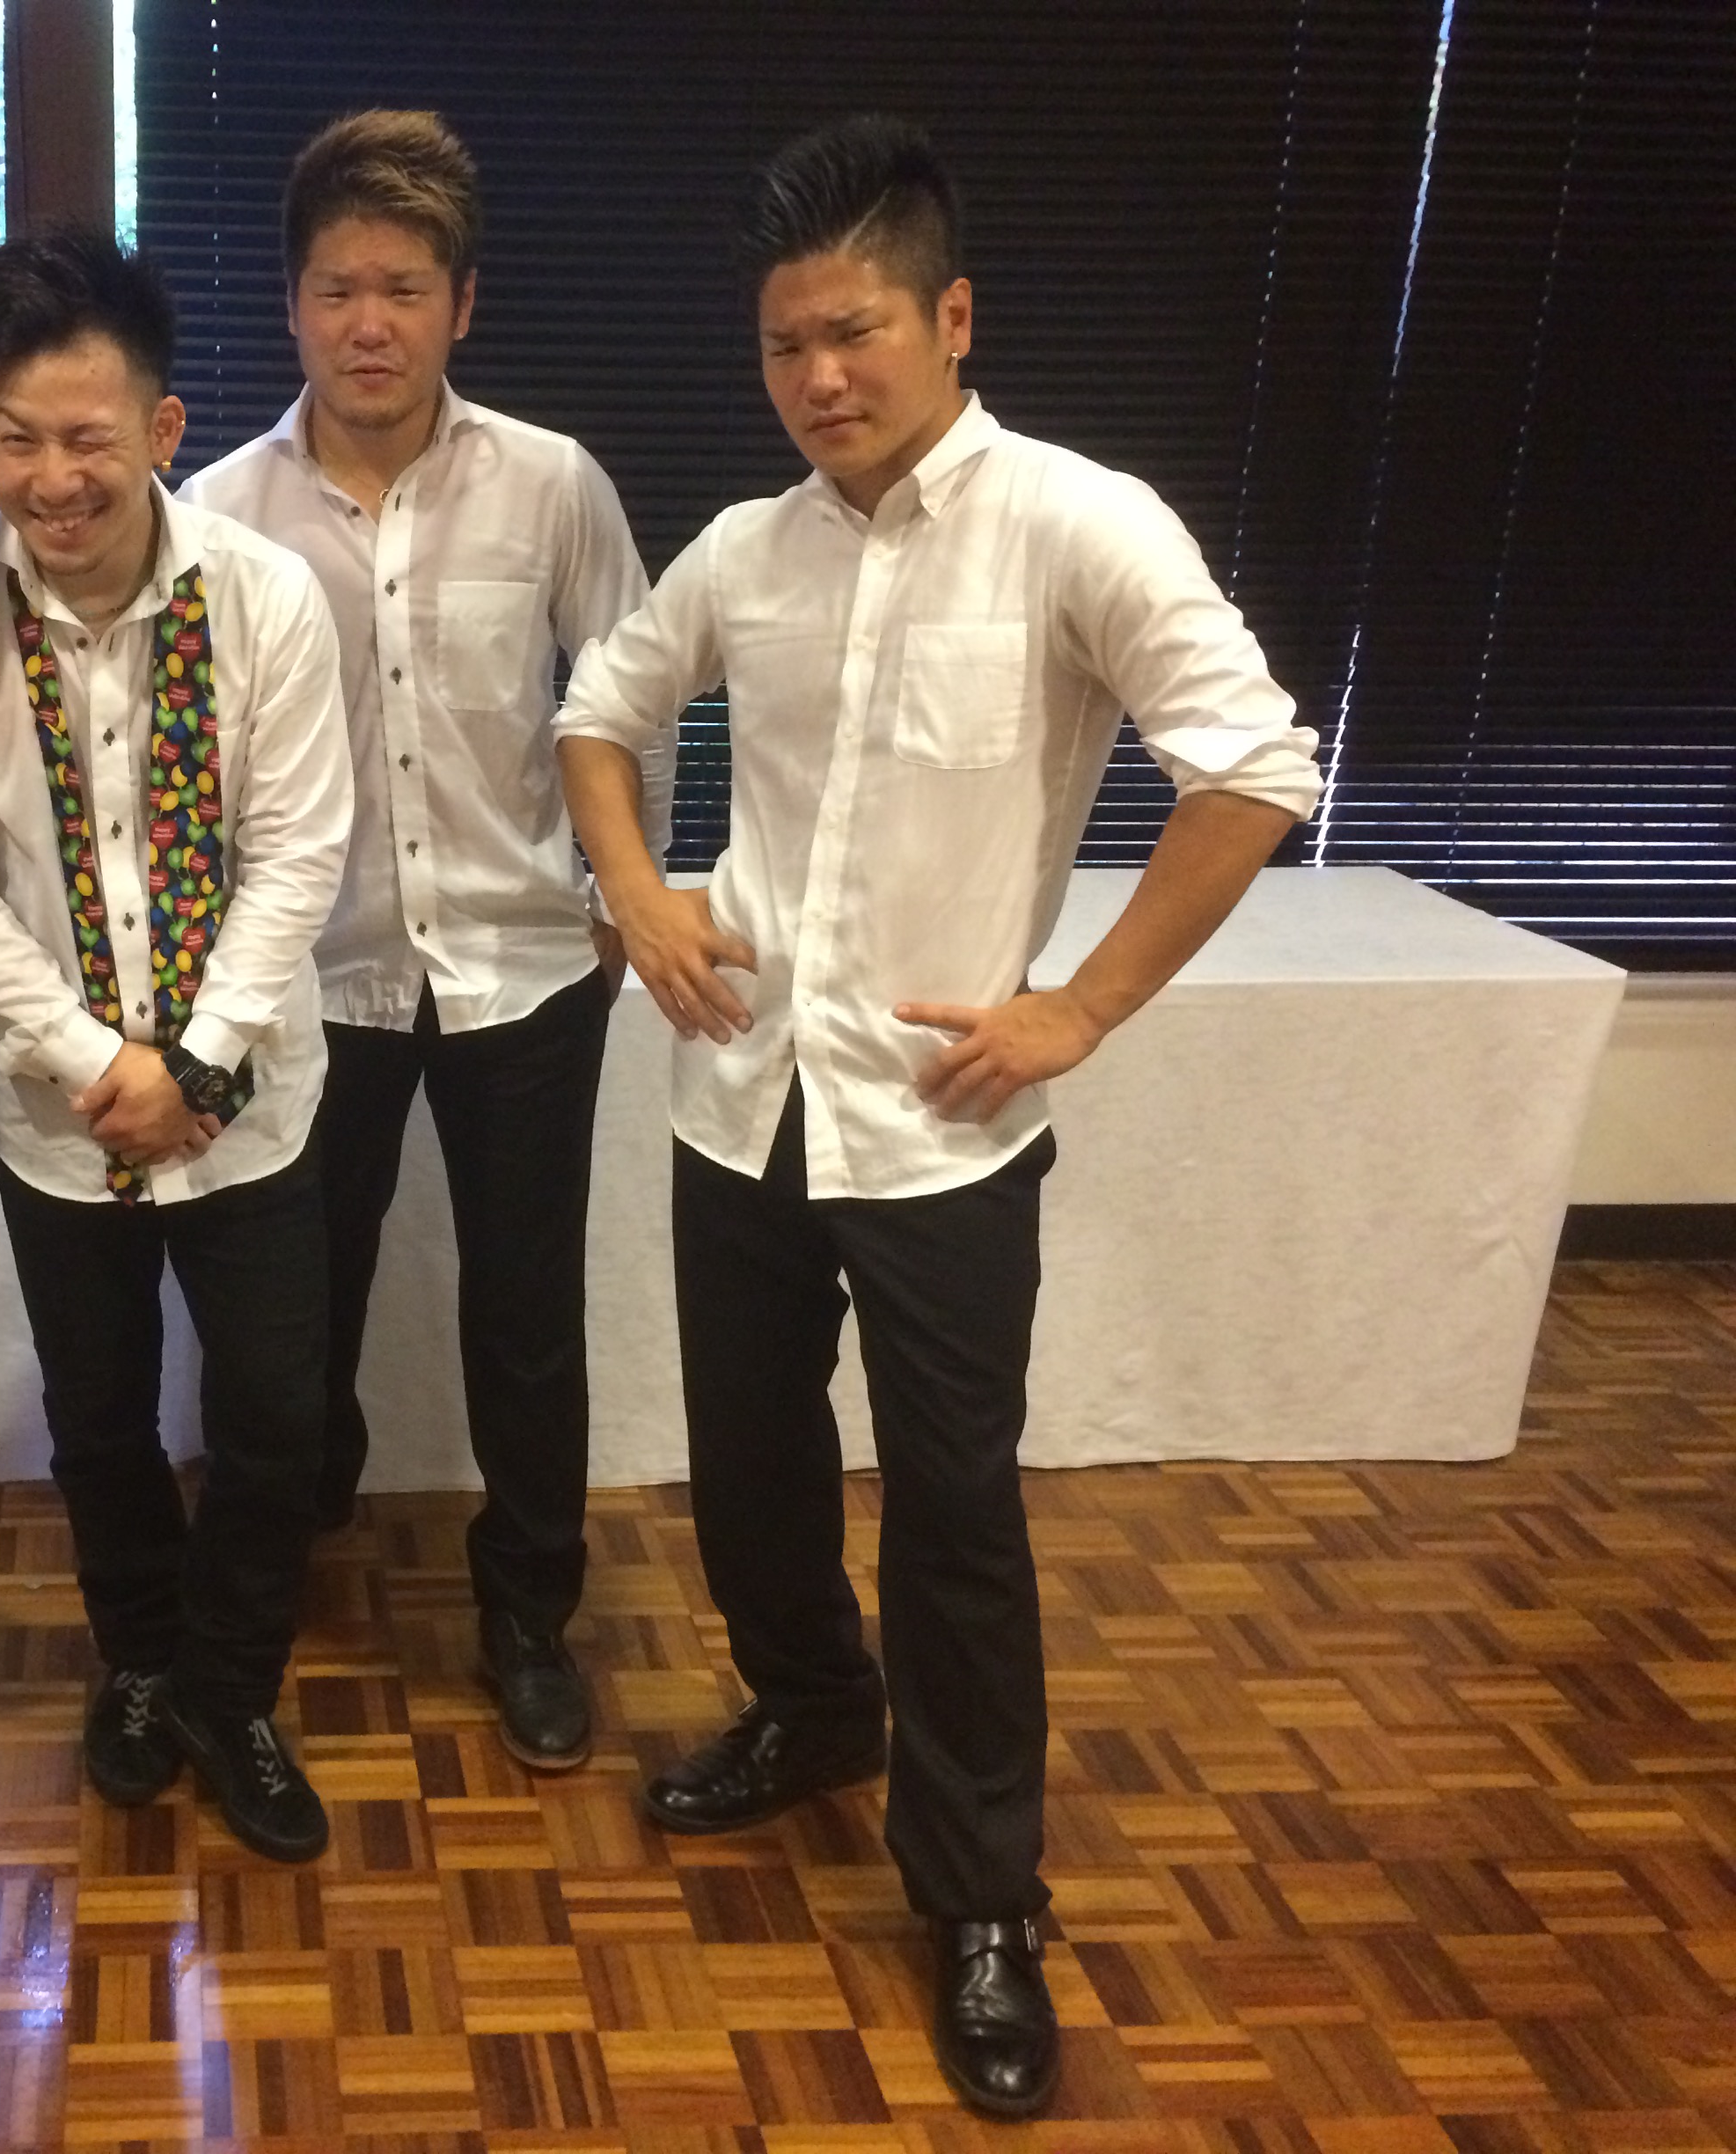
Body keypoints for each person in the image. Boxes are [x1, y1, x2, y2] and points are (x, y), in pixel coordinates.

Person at [553, 115, 1322, 2121]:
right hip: (740, 1098)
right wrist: (639, 896)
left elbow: (1254, 769)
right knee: (747, 1468)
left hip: (942, 1125)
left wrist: (1083, 1003)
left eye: (857, 331)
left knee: (959, 1519)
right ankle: (813, 1710)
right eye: (785, 343)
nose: (820, 376)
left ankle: (983, 1897)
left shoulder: (1081, 524)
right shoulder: (748, 550)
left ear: (950, 317)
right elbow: (599, 712)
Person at [0, 231, 352, 1864]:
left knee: (278, 1418)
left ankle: (231, 1689)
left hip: (250, 1105)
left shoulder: (263, 596)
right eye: (16, 437)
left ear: (161, 426)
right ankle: (143, 1663)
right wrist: (96, 1061)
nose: (53, 478)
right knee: (98, 1417)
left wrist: (194, 1064)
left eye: (88, 436)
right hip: (58, 1114)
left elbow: (298, 851)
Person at [180, 112, 661, 1773]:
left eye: (402, 289)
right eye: (336, 290)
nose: (368, 324)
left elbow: (629, 696)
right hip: (311, 984)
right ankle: (289, 1540)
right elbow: (197, 764)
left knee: (527, 1317)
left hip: (525, 973)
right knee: (292, 1308)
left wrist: (625, 894)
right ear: (292, 304)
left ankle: (527, 1614)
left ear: (463, 302)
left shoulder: (552, 485)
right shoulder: (219, 512)